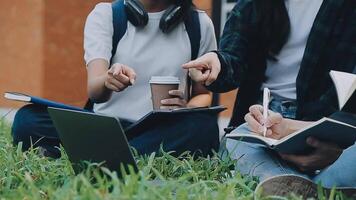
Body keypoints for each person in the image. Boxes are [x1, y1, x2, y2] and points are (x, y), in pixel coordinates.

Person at [11, 0, 219, 158]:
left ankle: (104, 155)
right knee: (28, 120)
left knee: (204, 128)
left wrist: (185, 109)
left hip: (162, 128)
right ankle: (137, 153)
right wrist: (108, 80)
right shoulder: (106, 15)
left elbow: (203, 95)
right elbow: (95, 91)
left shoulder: (199, 24)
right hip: (106, 127)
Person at [183, 0, 356, 187]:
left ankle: (294, 185)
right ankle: (304, 186)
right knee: (237, 143)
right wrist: (218, 63)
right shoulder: (254, 4)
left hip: (326, 126)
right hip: (263, 119)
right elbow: (233, 57)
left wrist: (336, 149)